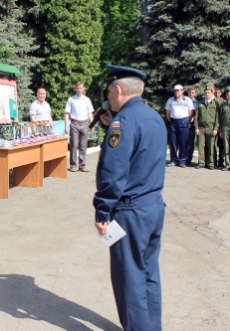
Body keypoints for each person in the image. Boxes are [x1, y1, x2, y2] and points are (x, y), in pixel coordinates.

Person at [93, 65, 166, 331]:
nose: (109, 96)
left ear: (119, 89)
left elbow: (113, 173)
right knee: (148, 275)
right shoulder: (153, 117)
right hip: (153, 205)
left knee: (129, 279)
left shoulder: (122, 122)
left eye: (110, 90)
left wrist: (102, 212)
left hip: (129, 211)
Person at [64, 82, 95, 172]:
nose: (79, 90)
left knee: (83, 145)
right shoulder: (71, 100)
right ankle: (73, 165)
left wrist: (92, 125)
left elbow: (90, 113)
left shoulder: (87, 100)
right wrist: (66, 126)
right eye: (77, 88)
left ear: (83, 89)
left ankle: (82, 165)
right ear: (75, 89)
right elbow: (67, 113)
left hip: (85, 123)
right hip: (74, 123)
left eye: (81, 88)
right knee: (74, 145)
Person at [165, 84, 194, 168]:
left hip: (184, 121)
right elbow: (168, 113)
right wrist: (171, 120)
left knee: (183, 142)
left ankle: (182, 161)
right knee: (173, 142)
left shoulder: (187, 100)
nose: (176, 92)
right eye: (175, 90)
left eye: (178, 90)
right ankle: (174, 160)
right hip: (173, 122)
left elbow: (190, 112)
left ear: (182, 91)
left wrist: (187, 121)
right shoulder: (170, 100)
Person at [195, 84, 219, 170]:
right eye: (205, 93)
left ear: (212, 93)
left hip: (211, 128)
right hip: (201, 128)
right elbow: (196, 117)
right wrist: (196, 127)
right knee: (201, 146)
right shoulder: (200, 103)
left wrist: (216, 128)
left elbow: (217, 118)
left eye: (208, 92)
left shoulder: (215, 103)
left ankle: (211, 163)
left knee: (211, 146)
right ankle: (201, 163)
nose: (207, 94)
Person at [186, 86, 199, 165]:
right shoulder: (184, 101)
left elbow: (197, 114)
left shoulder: (196, 103)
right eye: (190, 92)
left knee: (190, 142)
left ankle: (188, 159)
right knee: (183, 141)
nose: (191, 94)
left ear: (195, 93)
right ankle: (182, 158)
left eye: (193, 92)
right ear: (188, 93)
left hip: (192, 124)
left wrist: (192, 119)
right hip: (184, 123)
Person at [219, 87, 230, 171]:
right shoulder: (223, 106)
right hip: (225, 128)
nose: (229, 95)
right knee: (226, 146)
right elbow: (220, 118)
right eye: (228, 94)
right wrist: (220, 130)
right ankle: (227, 165)